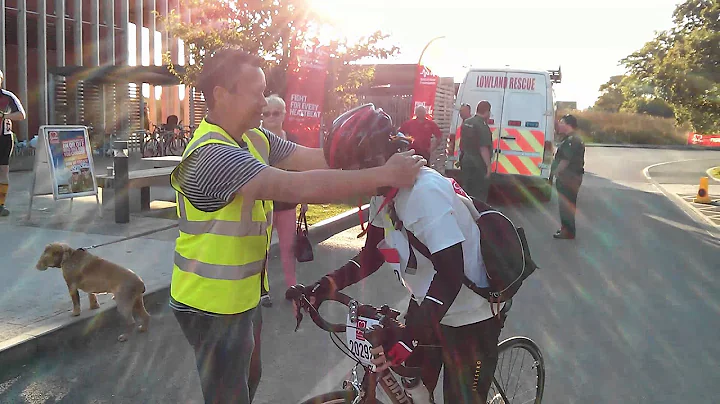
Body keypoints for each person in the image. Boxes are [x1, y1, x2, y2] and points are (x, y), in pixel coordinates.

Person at [168, 48, 425, 404]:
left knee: (247, 378)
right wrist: (384, 175)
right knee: (229, 394)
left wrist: (369, 147)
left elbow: (315, 158)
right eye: (256, 92)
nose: (264, 101)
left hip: (240, 297)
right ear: (221, 95)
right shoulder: (213, 155)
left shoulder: (254, 138)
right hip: (210, 305)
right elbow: (298, 186)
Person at [300, 104, 503, 403]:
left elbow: (451, 272)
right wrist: (325, 285)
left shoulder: (423, 192)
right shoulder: (384, 192)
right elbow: (373, 256)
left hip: (472, 312)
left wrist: (411, 334)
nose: (351, 179)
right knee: (414, 391)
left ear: (375, 159)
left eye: (354, 169)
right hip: (432, 304)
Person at [258, 93, 308, 307]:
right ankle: (262, 290)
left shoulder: (292, 139)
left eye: (276, 112)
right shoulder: (255, 140)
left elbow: (301, 170)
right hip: (263, 204)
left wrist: (305, 199)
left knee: (288, 248)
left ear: (284, 114)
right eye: (266, 113)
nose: (271, 117)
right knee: (262, 249)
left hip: (287, 203)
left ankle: (292, 286)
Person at [551, 114, 585, 239]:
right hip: (570, 177)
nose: (559, 124)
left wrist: (556, 172)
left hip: (569, 177)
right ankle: (566, 228)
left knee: (567, 204)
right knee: (566, 204)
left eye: (561, 122)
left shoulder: (572, 140)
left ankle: (568, 231)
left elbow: (565, 160)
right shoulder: (570, 138)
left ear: (568, 124)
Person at [0, 69, 27, 217]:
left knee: (3, 171)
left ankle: (1, 204)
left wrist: (5, 115)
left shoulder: (8, 96)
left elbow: (22, 115)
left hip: (3, 137)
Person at [459, 100, 493, 202]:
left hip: (466, 160)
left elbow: (462, 143)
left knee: (466, 188)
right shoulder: (482, 126)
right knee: (479, 191)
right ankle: (477, 213)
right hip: (477, 164)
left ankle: (465, 209)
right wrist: (488, 166)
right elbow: (483, 148)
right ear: (487, 112)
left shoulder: (467, 122)